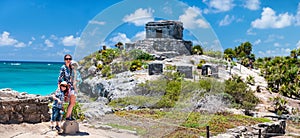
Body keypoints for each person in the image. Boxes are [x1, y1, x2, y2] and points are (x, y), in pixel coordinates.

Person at [57, 54, 76, 120]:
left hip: (72, 87)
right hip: (67, 88)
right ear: (64, 60)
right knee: (71, 102)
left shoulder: (71, 67)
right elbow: (59, 79)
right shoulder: (63, 67)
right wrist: (59, 88)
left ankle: (69, 116)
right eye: (67, 59)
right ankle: (68, 117)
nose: (68, 60)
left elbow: (74, 77)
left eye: (69, 59)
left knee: (72, 103)